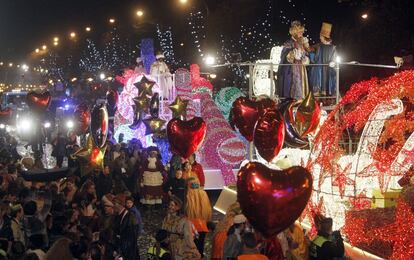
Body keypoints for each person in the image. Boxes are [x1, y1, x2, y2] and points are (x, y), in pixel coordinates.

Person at [277, 21, 310, 99]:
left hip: (301, 68)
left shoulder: (301, 43)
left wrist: (305, 58)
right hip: (291, 69)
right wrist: (293, 54)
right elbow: (284, 56)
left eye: (302, 32)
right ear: (295, 33)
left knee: (301, 87)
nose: (301, 34)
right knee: (291, 87)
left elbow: (306, 55)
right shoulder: (288, 43)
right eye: (300, 32)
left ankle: (300, 101)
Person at [309, 22, 337, 97]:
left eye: (320, 36)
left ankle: (328, 98)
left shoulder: (332, 47)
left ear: (324, 36)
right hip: (319, 70)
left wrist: (332, 63)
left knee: (328, 83)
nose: (319, 38)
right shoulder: (318, 46)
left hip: (328, 69)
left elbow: (334, 58)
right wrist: (310, 52)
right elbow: (311, 53)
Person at [113, 193, 139, 260]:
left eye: (114, 204)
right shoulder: (118, 215)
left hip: (127, 253)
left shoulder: (130, 217)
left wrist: (120, 253)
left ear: (120, 205)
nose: (113, 206)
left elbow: (131, 239)